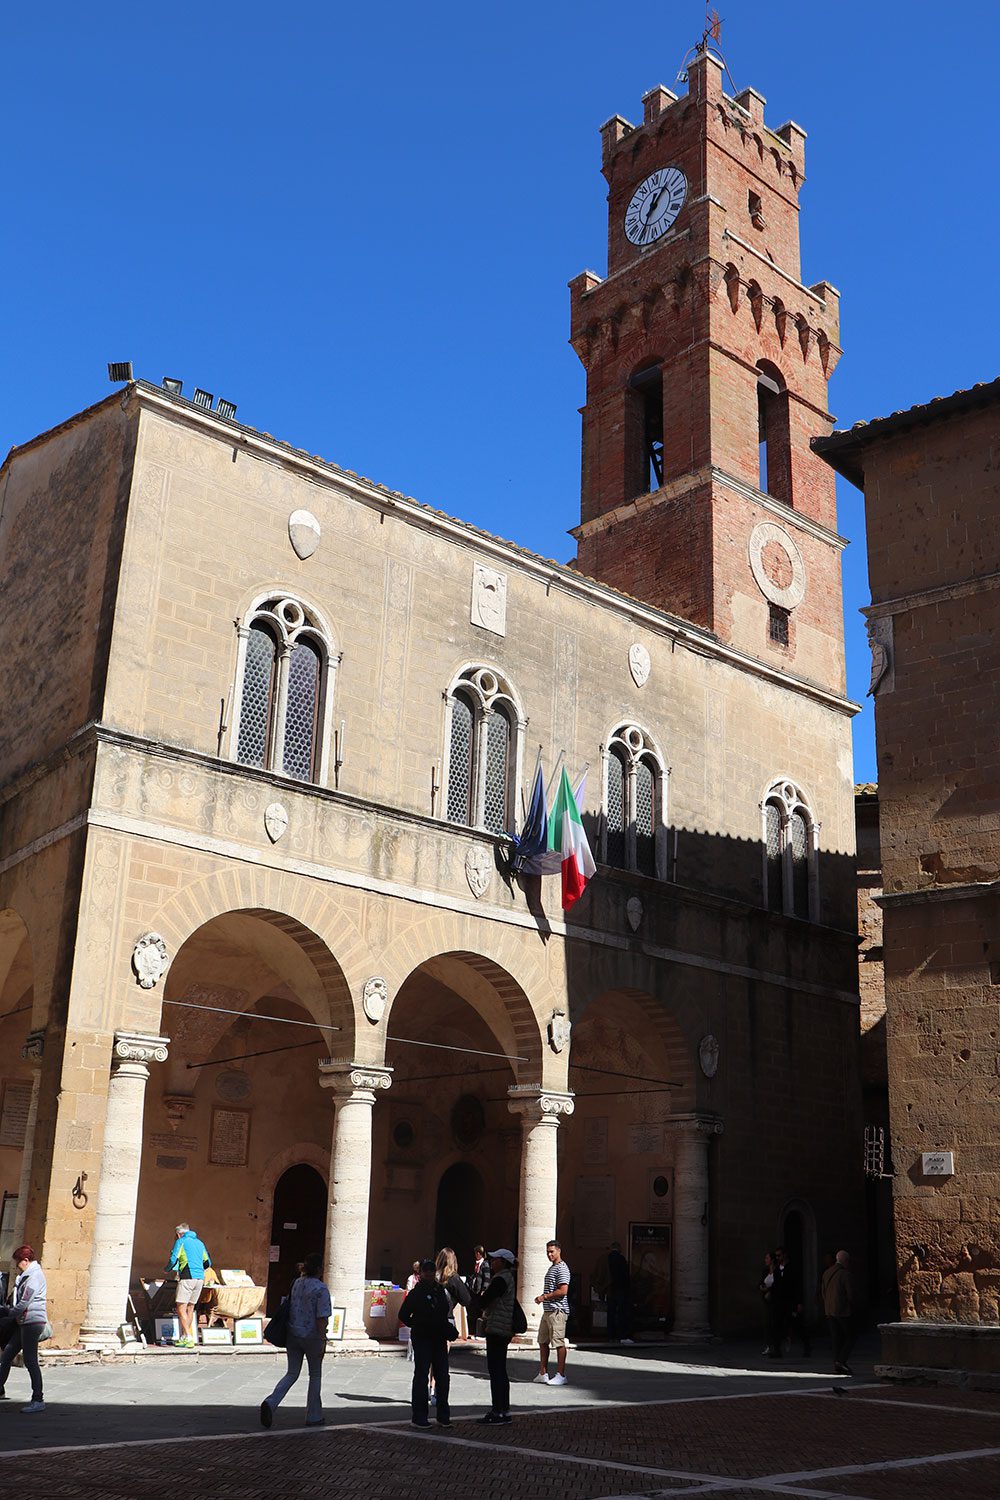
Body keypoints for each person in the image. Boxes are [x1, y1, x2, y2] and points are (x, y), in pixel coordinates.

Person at [260, 1251, 330, 1428]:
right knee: (315, 1375)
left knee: (292, 1373)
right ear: (319, 1269)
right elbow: (321, 1317)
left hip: (293, 1333)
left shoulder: (296, 1283)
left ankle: (271, 1402)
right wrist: (323, 1339)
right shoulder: (321, 1289)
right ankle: (314, 1415)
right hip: (312, 1336)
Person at [399, 1258, 454, 1428]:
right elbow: (403, 1315)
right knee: (422, 1376)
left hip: (438, 1337)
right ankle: (419, 1416)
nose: (430, 1273)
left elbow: (445, 1310)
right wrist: (417, 1325)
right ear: (421, 1273)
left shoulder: (440, 1291)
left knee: (442, 1376)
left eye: (432, 1270)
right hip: (423, 1338)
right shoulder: (417, 1293)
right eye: (426, 1270)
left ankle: (443, 1415)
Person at [0, 1244, 47, 1413]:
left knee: (30, 1361)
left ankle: (38, 1399)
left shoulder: (35, 1276)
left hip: (32, 1322)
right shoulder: (25, 1276)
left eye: (18, 1262)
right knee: (6, 1357)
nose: (16, 1266)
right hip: (23, 1322)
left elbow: (25, 1302)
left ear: (25, 1261)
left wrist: (9, 1314)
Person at [478, 1248, 517, 1424]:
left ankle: (498, 1410)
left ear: (502, 1262)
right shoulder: (508, 1278)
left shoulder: (501, 1279)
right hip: (503, 1328)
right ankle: (504, 1410)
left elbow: (485, 1299)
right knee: (500, 1370)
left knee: (496, 1370)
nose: (492, 1262)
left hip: (497, 1327)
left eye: (495, 1260)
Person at [168, 1222, 212, 1349]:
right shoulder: (200, 1243)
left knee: (181, 1307)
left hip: (187, 1277)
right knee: (190, 1308)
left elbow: (173, 1259)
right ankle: (184, 1337)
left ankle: (188, 1337)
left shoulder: (181, 1241)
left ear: (178, 1234)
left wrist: (166, 1269)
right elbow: (208, 1262)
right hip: (200, 1278)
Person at [534, 1239, 571, 1385]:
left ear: (559, 1251)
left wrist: (544, 1297)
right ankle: (543, 1373)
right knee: (543, 1341)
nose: (549, 1254)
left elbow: (563, 1290)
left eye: (552, 1251)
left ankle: (561, 1374)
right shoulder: (552, 1268)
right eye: (547, 1252)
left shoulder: (562, 1268)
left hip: (557, 1310)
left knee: (558, 1342)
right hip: (548, 1310)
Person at [822, 1249, 855, 1375]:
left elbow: (823, 1292)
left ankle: (837, 1362)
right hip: (842, 1311)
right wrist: (851, 1306)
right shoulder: (845, 1274)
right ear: (845, 1261)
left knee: (836, 1338)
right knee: (851, 1336)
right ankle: (841, 1361)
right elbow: (850, 1294)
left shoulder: (826, 1273)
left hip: (829, 1310)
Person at [774, 1245, 810, 1357]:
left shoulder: (793, 1268)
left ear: (784, 1255)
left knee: (797, 1325)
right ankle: (777, 1350)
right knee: (777, 1325)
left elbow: (798, 1286)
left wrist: (799, 1302)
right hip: (780, 1302)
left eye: (779, 1255)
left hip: (791, 1302)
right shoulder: (777, 1270)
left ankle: (807, 1347)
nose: (777, 1258)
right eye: (776, 1256)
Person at [605, 1241, 634, 1344]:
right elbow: (625, 1276)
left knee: (610, 1313)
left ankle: (610, 1335)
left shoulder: (605, 1259)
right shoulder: (621, 1259)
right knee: (621, 1313)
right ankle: (622, 1335)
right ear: (619, 1248)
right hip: (620, 1289)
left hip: (610, 1289)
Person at [759, 1250, 780, 1357]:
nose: (765, 1260)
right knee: (766, 1323)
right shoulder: (765, 1271)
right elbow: (760, 1282)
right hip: (766, 1301)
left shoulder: (778, 1271)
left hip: (775, 1301)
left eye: (767, 1258)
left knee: (774, 1323)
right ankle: (768, 1346)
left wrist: (770, 1290)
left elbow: (779, 1284)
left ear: (772, 1260)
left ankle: (777, 1346)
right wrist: (762, 1288)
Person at [468, 1244, 491, 1340]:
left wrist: (484, 1290)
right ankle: (474, 1331)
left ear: (478, 1253)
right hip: (475, 1291)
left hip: (480, 1291)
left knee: (480, 1311)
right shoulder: (477, 1264)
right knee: (474, 1309)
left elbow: (486, 1277)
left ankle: (480, 1333)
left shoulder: (485, 1264)